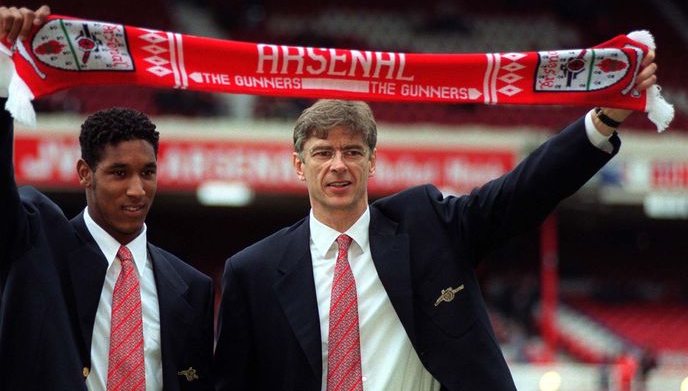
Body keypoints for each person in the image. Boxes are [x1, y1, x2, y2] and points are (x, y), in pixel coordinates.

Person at [213, 58, 657, 388]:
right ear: (298, 164)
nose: (338, 165)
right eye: (322, 152)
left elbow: (518, 195)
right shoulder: (254, 271)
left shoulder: (426, 226)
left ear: (372, 162)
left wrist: (600, 122)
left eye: (352, 151)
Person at [0, 6, 215, 390]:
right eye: (119, 173)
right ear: (85, 174)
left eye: (147, 173)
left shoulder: (192, 287)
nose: (137, 190)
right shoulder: (33, 245)